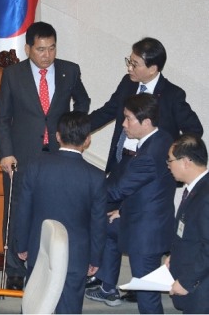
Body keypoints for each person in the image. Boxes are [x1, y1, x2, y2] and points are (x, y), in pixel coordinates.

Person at [87, 37, 203, 302]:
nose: (129, 66)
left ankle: (141, 285)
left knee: (139, 220)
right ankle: (107, 285)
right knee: (111, 219)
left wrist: (168, 155)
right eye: (130, 60)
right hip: (123, 161)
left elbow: (195, 130)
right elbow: (108, 111)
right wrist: (79, 130)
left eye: (135, 63)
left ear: (152, 68)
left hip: (151, 167)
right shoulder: (128, 83)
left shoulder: (173, 95)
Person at [0, 21, 90, 290]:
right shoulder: (13, 74)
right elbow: (3, 117)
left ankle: (48, 262)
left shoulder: (69, 71)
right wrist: (6, 153)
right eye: (40, 49)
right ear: (28, 48)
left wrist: (73, 131)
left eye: (51, 48)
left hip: (58, 154)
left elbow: (82, 102)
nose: (47, 55)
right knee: (16, 211)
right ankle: (14, 269)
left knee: (53, 208)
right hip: (22, 154)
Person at [85, 93, 175, 313]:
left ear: (146, 122)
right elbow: (145, 189)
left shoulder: (148, 155)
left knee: (147, 298)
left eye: (128, 119)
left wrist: (82, 192)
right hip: (145, 219)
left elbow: (117, 189)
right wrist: (122, 211)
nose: (123, 124)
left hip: (145, 235)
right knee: (108, 227)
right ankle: (107, 286)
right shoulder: (162, 138)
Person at [15, 111, 106, 313]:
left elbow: (24, 209)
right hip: (76, 254)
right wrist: (95, 258)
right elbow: (98, 223)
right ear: (88, 140)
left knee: (35, 303)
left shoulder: (35, 166)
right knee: (69, 307)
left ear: (57, 136)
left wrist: (22, 244)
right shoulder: (96, 177)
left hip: (40, 248)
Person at [165, 134, 209, 314]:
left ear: (185, 162)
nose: (168, 165)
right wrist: (174, 256)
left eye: (170, 160)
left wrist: (186, 281)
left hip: (201, 288)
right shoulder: (195, 189)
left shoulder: (206, 197)